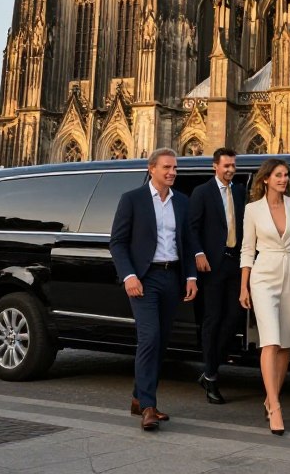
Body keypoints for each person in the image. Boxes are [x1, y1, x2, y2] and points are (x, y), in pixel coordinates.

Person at [109, 148, 198, 431]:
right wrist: (129, 276)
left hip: (172, 277)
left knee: (160, 342)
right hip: (144, 279)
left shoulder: (181, 202)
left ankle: (138, 397)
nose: (172, 172)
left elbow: (188, 241)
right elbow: (118, 242)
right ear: (152, 169)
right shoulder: (132, 200)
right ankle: (148, 407)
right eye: (167, 167)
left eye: (175, 168)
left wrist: (191, 277)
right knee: (149, 338)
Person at [239, 158, 290, 436]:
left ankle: (270, 397)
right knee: (270, 340)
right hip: (263, 275)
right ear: (265, 179)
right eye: (278, 175)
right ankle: (276, 407)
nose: (283, 179)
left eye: (286, 175)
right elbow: (247, 250)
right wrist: (244, 286)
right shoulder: (252, 209)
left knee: (285, 344)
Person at [188, 147, 246, 404]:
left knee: (234, 317)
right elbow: (192, 227)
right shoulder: (202, 192)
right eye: (226, 166)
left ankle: (209, 370)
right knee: (212, 319)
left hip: (235, 262)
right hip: (211, 265)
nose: (230, 170)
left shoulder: (241, 192)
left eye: (233, 166)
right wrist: (198, 253)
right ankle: (211, 376)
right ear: (215, 166)